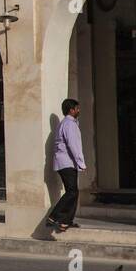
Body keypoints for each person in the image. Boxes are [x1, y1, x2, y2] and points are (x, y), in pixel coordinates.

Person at [47, 98, 86, 232]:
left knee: (74, 192)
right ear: (71, 110)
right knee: (72, 192)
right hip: (67, 163)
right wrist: (81, 162)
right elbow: (73, 145)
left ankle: (66, 221)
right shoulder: (70, 124)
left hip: (64, 162)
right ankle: (54, 216)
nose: (79, 110)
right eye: (77, 108)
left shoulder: (65, 123)